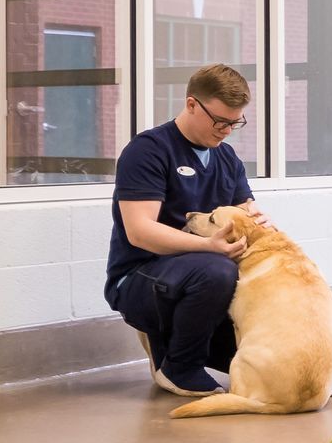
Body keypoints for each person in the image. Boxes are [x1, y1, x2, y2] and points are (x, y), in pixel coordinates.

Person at [104, 63, 270, 398]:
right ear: (192, 104)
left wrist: (260, 228)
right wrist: (209, 244)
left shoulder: (228, 160)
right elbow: (139, 232)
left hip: (206, 277)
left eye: (234, 123)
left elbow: (245, 214)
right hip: (141, 277)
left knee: (258, 352)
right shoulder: (148, 151)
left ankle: (186, 343)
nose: (226, 130)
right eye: (219, 121)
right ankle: (179, 366)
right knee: (217, 269)